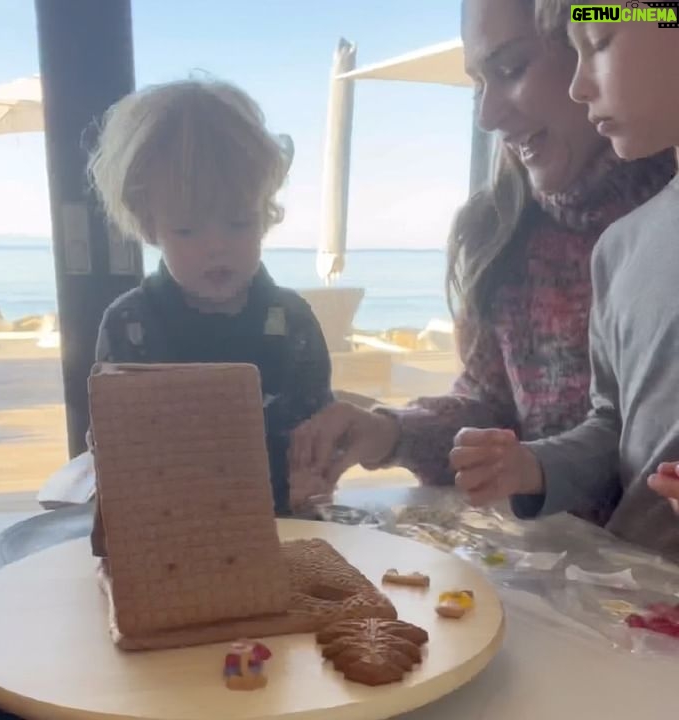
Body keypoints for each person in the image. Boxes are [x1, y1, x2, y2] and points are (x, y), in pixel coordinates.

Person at [289, 0, 676, 526]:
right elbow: (493, 410)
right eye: (477, 83)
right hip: (570, 577)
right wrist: (390, 433)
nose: (487, 115)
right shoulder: (499, 232)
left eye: (512, 69)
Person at [450, 0, 679, 559]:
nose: (579, 85)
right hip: (639, 602)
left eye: (598, 41)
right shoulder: (620, 250)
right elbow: (615, 427)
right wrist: (532, 465)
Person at [87, 79, 332, 517]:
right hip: (169, 529)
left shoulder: (292, 321)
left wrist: (319, 470)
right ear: (149, 227)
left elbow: (319, 431)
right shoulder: (130, 324)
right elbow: (120, 450)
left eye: (239, 222)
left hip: (284, 527)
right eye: (187, 229)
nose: (216, 245)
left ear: (266, 214)